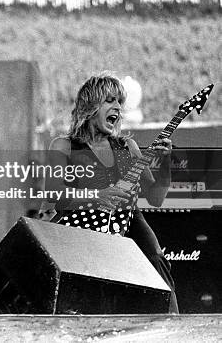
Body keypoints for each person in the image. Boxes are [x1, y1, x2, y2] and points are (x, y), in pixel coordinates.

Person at [47, 73, 179, 313]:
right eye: (110, 100)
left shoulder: (127, 147)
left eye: (120, 102)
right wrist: (98, 196)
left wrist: (166, 162)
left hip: (128, 220)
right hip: (80, 227)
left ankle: (172, 327)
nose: (117, 107)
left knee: (157, 261)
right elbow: (54, 195)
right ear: (90, 107)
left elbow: (156, 197)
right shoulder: (64, 145)